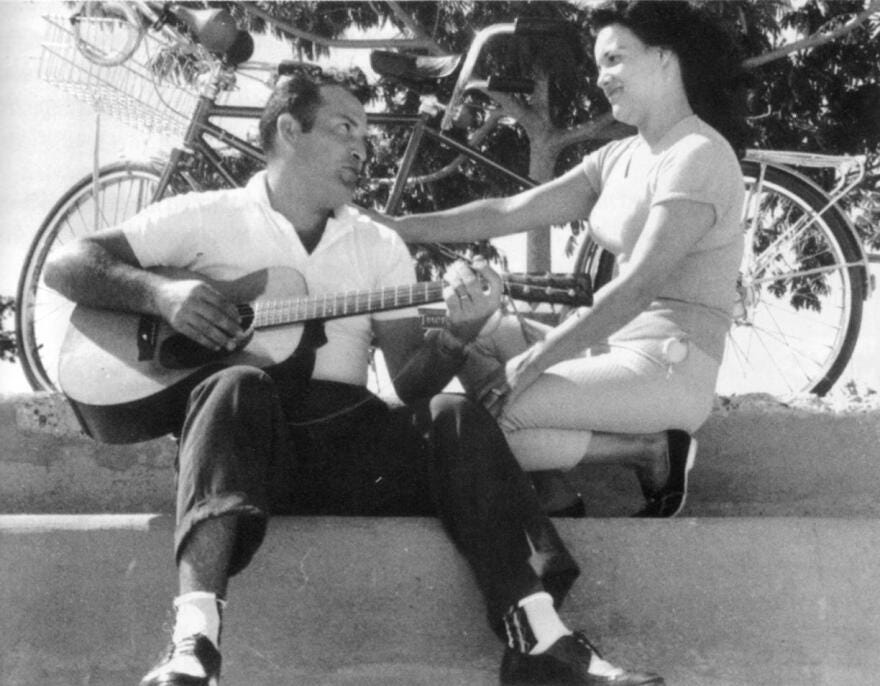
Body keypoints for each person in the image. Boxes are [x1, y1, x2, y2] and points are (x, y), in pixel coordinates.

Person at [45, 68, 664, 686]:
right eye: (345, 129)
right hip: (247, 458)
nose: (363, 149)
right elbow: (68, 263)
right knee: (238, 384)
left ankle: (540, 638)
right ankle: (193, 644)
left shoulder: (377, 244)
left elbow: (409, 382)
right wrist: (161, 295)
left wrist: (457, 335)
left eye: (367, 136)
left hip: (350, 450)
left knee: (452, 414)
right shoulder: (207, 217)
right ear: (289, 131)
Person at [381, 1, 749, 518]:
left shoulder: (699, 154)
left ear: (666, 58)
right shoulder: (619, 157)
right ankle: (555, 489)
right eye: (599, 65)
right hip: (608, 352)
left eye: (615, 59)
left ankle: (650, 450)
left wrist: (531, 364)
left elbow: (637, 286)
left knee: (489, 422)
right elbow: (508, 211)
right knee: (475, 332)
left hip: (667, 367)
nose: (601, 78)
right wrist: (399, 228)